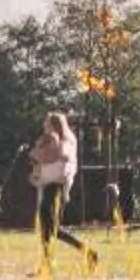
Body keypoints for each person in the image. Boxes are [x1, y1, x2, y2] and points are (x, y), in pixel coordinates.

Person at [29, 111, 96, 264]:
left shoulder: (64, 143)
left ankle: (88, 252)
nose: (44, 126)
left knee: (51, 228)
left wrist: (39, 152)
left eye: (47, 123)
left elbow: (58, 157)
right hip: (50, 186)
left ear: (54, 125)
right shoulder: (61, 141)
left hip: (55, 187)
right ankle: (47, 264)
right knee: (47, 228)